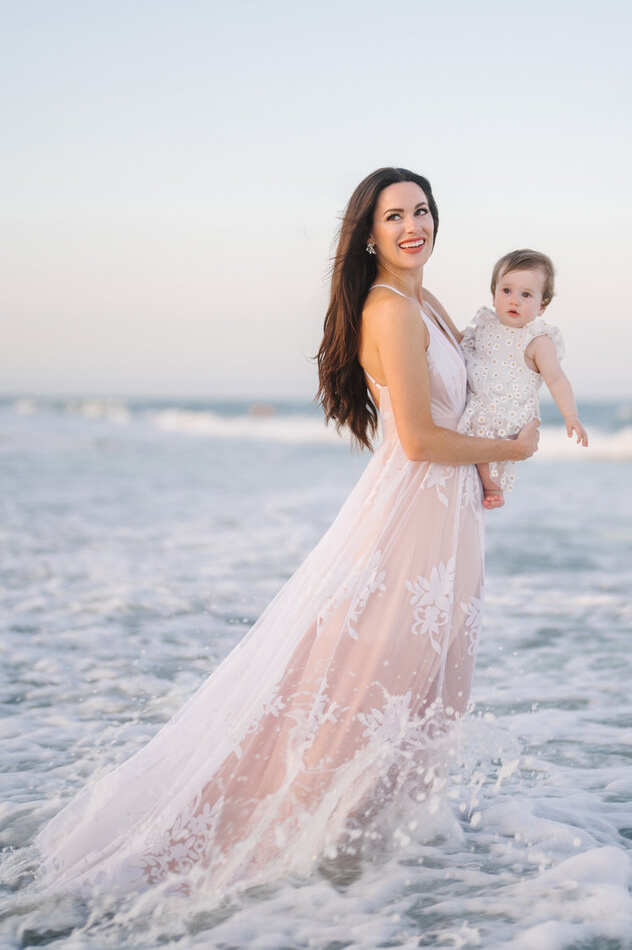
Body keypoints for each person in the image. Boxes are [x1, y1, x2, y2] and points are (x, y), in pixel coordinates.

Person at [34, 167, 539, 896]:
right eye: (394, 215)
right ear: (369, 232)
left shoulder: (423, 298)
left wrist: (530, 378)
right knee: (367, 683)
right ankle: (297, 849)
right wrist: (512, 451)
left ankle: (379, 849)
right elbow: (423, 440)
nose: (412, 225)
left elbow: (473, 393)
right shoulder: (391, 310)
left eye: (422, 210)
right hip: (409, 515)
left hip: (448, 515)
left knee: (422, 687)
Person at [459, 249, 588, 507]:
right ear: (493, 294)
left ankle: (493, 489)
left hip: (508, 409)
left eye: (526, 295)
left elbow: (556, 379)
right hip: (477, 397)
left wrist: (570, 415)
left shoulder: (538, 340)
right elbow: (459, 344)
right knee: (471, 431)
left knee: (487, 434)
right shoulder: (484, 324)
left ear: (542, 306)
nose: (514, 301)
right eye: (506, 291)